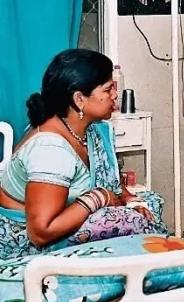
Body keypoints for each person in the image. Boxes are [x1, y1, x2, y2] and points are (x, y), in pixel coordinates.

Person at [0, 49, 167, 259]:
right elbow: (40, 233)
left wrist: (132, 201)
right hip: (24, 240)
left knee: (150, 202)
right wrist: (98, 198)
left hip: (67, 216)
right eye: (108, 89)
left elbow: (113, 185)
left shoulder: (91, 130)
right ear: (79, 99)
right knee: (123, 221)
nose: (115, 94)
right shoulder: (50, 150)